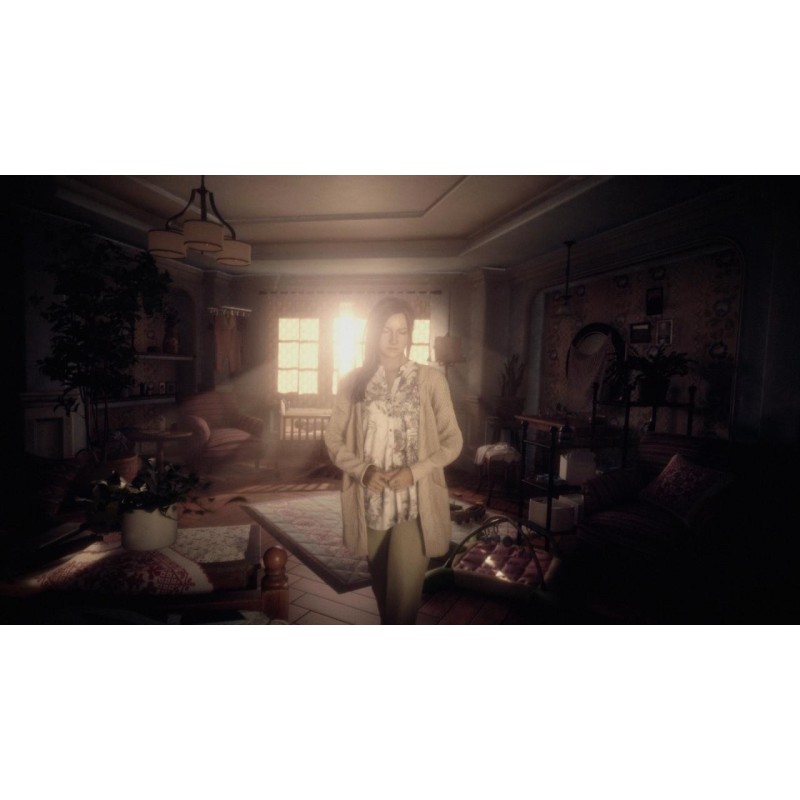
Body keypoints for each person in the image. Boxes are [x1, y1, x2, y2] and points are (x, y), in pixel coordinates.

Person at [324, 297, 464, 624]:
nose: (394, 339)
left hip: (416, 504)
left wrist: (415, 472)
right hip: (371, 504)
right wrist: (362, 471)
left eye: (402, 331)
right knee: (385, 600)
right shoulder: (352, 383)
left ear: (409, 335)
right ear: (374, 332)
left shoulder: (430, 380)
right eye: (386, 330)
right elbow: (332, 438)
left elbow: (453, 440)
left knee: (401, 604)